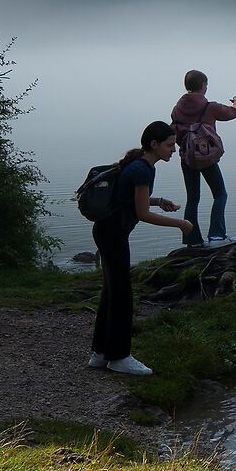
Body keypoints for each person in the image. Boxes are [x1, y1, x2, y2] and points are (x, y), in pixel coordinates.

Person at [91, 120, 196, 375]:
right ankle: (119, 358)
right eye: (170, 145)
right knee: (123, 295)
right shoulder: (143, 169)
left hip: (107, 231)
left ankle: (101, 353)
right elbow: (141, 213)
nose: (174, 149)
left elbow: (128, 199)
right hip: (113, 234)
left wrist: (158, 200)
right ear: (154, 144)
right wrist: (180, 224)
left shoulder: (139, 163)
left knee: (112, 292)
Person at [170, 70, 236, 246]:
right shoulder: (209, 107)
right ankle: (217, 236)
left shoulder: (177, 109)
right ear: (203, 85)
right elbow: (231, 113)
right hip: (206, 157)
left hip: (187, 158)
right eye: (206, 84)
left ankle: (192, 240)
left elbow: (174, 132)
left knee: (192, 198)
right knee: (220, 194)